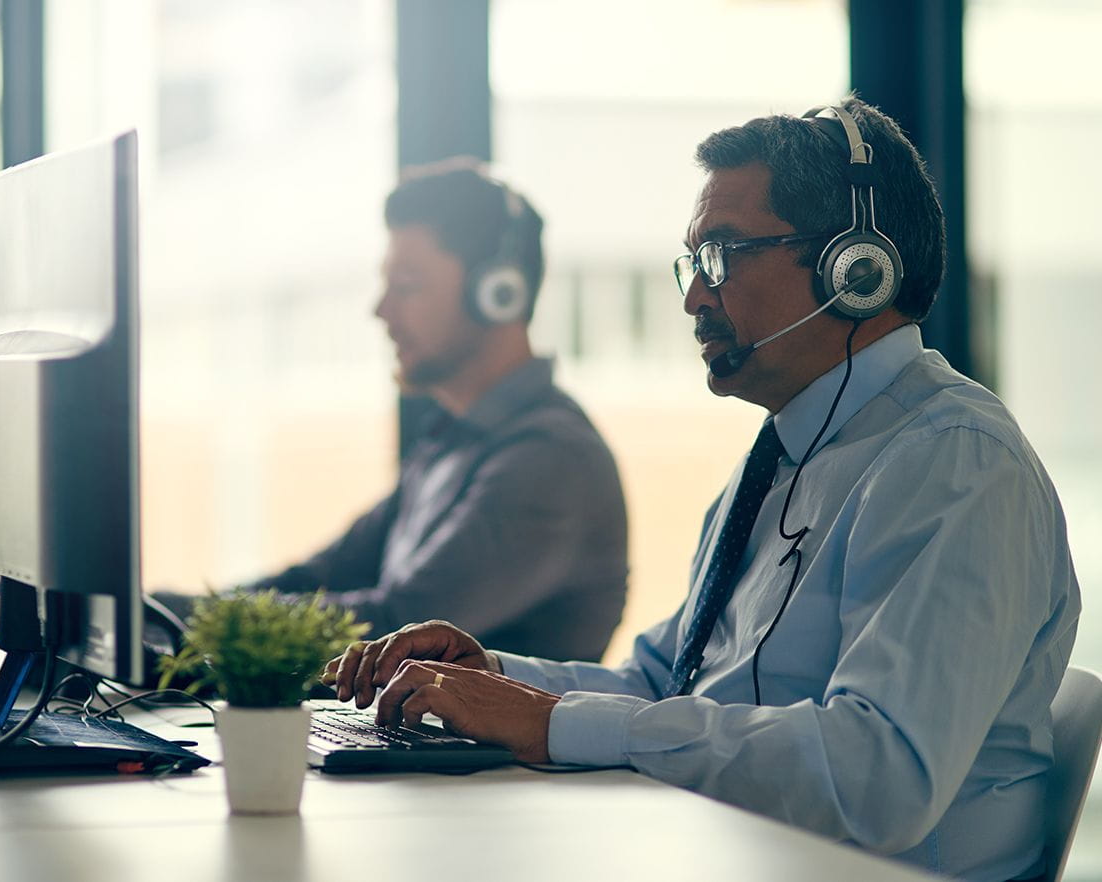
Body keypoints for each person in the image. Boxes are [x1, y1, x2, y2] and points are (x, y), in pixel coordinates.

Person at [324, 99, 1080, 882]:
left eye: (722, 256)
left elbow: (879, 778)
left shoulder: (954, 464)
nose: (693, 297)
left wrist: (554, 723)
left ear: (854, 268)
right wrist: (496, 681)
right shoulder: (779, 459)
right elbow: (666, 681)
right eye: (692, 263)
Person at [153, 159, 628, 663]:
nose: (381, 310)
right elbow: (318, 579)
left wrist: (186, 623)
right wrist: (172, 613)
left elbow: (398, 624)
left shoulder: (550, 462)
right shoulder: (452, 441)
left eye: (407, 285)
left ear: (497, 294)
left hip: (480, 746)